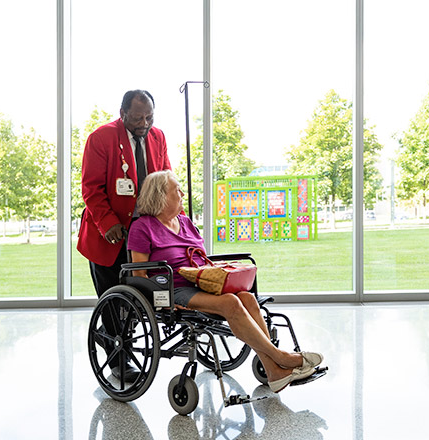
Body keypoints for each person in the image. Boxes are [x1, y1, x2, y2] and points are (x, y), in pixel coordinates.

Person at [128, 170, 324, 392]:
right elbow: (139, 274)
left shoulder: (184, 222)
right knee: (230, 302)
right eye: (177, 190)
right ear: (160, 196)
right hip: (174, 289)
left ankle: (275, 372)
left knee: (248, 299)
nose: (182, 193)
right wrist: (164, 302)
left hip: (202, 282)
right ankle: (282, 357)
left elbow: (202, 258)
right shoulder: (142, 227)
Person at [77, 90, 173, 382]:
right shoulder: (101, 138)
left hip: (143, 234)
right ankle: (117, 358)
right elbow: (91, 189)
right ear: (123, 114)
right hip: (109, 235)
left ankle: (115, 341)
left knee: (137, 297)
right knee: (114, 300)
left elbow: (165, 179)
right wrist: (108, 224)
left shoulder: (158, 137)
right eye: (138, 118)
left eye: (149, 117)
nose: (144, 123)